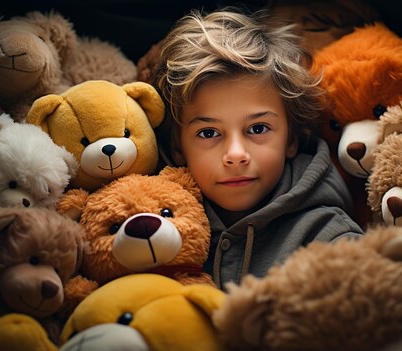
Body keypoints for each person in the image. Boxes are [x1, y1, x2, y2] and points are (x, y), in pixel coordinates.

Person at [153, 8, 362, 289]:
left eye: (258, 129)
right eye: (208, 133)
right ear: (178, 147)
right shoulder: (152, 226)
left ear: (291, 140)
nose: (236, 155)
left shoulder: (329, 238)